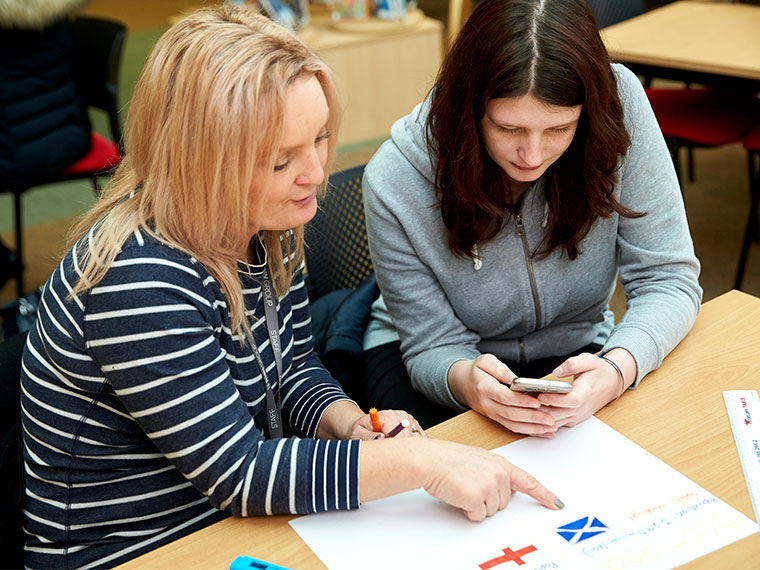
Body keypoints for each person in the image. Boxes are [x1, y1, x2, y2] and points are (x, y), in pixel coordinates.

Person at [19, 6, 561, 568]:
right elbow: (243, 473)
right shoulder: (137, 280)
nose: (317, 174)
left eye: (321, 137)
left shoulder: (261, 226)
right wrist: (422, 464)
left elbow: (292, 370)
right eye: (281, 161)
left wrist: (351, 424)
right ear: (201, 162)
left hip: (232, 525)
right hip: (142, 551)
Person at [362, 0, 702, 432]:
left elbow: (667, 279)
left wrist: (618, 368)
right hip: (442, 362)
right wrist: (468, 382)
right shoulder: (395, 178)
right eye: (508, 129)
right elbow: (431, 344)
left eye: (559, 129)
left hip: (578, 351)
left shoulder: (619, 107)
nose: (533, 155)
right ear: (470, 110)